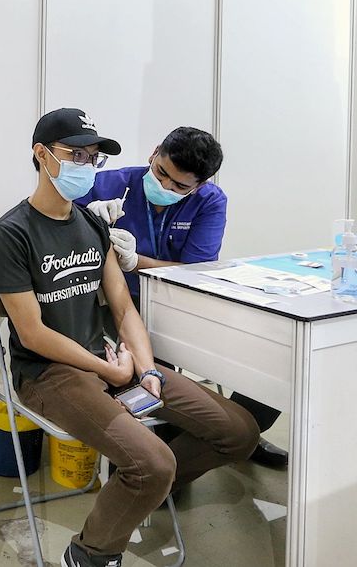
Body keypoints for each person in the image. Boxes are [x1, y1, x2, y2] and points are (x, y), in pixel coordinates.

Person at [0, 108, 259, 567]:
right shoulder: (11, 233)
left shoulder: (92, 224)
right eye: (75, 154)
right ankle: (91, 553)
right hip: (50, 373)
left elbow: (124, 307)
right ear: (41, 154)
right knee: (153, 463)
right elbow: (31, 334)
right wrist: (108, 368)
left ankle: (142, 489)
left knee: (239, 433)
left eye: (92, 157)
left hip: (114, 358)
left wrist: (148, 369)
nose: (85, 166)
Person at [77, 127, 288, 468]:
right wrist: (85, 224)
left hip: (182, 306)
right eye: (161, 173)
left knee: (274, 360)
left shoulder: (209, 202)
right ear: (154, 152)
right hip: (114, 307)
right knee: (150, 373)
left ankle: (235, 434)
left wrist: (135, 262)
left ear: (199, 185)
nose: (165, 187)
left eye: (180, 186)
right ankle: (170, 455)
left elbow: (194, 271)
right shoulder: (107, 185)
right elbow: (62, 250)